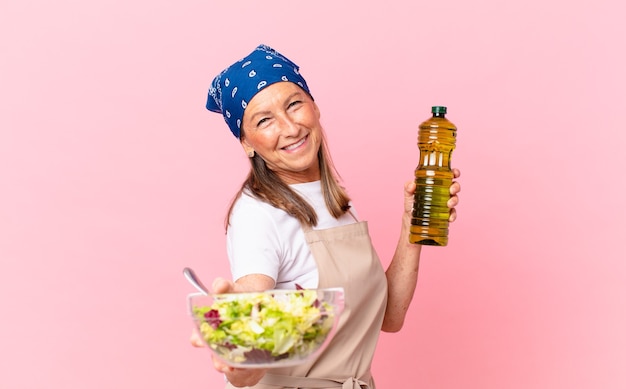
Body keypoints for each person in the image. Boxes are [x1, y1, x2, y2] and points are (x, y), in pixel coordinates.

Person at [190, 44, 461, 389]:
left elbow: (388, 316)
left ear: (315, 107)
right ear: (247, 142)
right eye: (264, 120)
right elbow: (250, 338)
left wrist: (413, 223)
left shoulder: (334, 203)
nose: (289, 127)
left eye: (294, 104)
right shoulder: (258, 215)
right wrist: (236, 353)